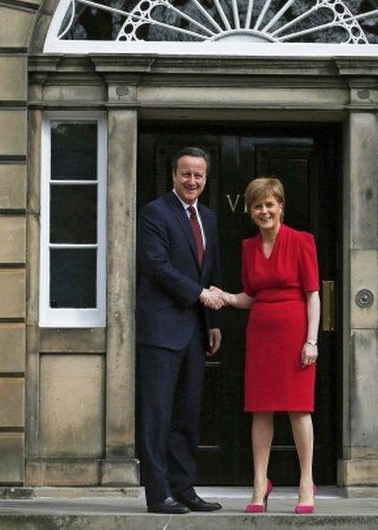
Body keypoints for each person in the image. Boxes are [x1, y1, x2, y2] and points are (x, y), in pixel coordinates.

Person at [214, 177, 321, 514]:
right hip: (261, 335)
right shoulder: (248, 247)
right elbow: (251, 296)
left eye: (269, 204)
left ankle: (306, 482)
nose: (264, 211)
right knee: (261, 409)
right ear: (250, 211)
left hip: (295, 334)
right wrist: (227, 297)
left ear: (281, 206)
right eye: (257, 206)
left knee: (298, 408)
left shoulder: (302, 241)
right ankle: (260, 483)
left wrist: (312, 341)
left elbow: (313, 295)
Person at [136, 147, 225, 514]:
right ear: (174, 175)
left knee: (187, 416)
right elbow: (156, 266)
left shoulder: (209, 217)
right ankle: (158, 495)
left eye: (198, 175)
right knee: (157, 415)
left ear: (205, 179)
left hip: (195, 331)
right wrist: (199, 294)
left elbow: (212, 270)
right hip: (161, 330)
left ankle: (184, 489)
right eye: (186, 174)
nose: (192, 181)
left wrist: (214, 322)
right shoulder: (155, 213)